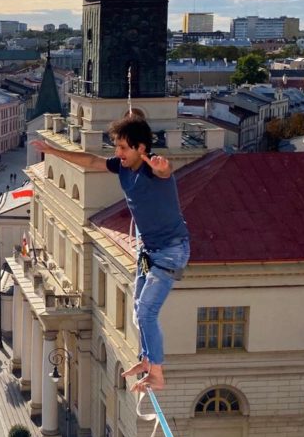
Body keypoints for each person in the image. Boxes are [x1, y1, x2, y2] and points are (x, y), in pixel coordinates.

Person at [32, 114, 189, 393]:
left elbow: (165, 171)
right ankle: (146, 359)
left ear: (142, 148)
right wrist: (53, 152)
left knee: (147, 313)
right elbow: (92, 161)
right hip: (148, 253)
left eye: (123, 148)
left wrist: (165, 167)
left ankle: (157, 373)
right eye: (117, 147)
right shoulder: (123, 167)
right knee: (136, 312)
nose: (118, 153)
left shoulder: (152, 169)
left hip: (169, 253)